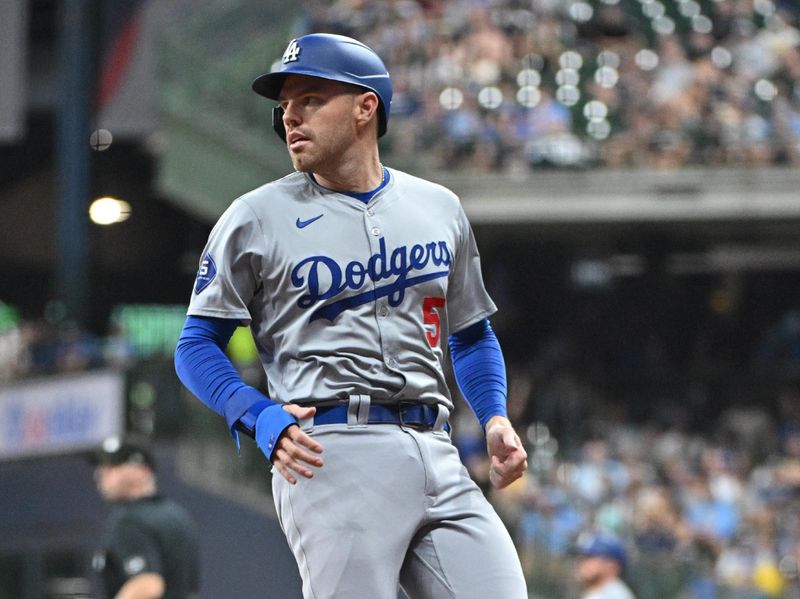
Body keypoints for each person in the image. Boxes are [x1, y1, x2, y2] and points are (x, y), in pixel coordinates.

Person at [174, 32, 528, 599]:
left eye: (310, 99)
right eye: (284, 106)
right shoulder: (255, 216)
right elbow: (195, 345)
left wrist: (493, 416)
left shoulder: (438, 207)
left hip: (437, 447)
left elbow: (471, 333)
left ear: (367, 107)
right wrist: (257, 415)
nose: (290, 116)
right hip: (331, 448)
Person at [92, 436, 201, 599]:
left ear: (142, 471)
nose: (101, 474)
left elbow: (147, 585)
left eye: (113, 465)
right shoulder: (177, 515)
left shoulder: (129, 521)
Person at [575, 533, 636, 599]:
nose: (583, 562)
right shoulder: (600, 591)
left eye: (590, 557)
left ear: (611, 565)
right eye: (583, 557)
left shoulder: (613, 595)